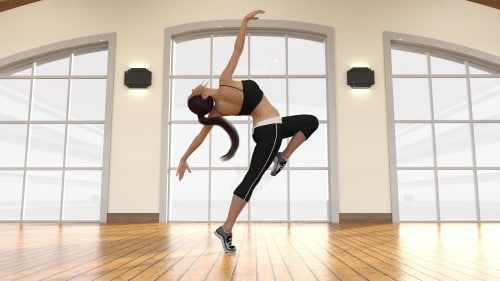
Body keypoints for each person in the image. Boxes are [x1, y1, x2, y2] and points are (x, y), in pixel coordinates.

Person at [176, 10, 318, 253]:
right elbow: (237, 49)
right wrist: (243, 23)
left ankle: (282, 157)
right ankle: (226, 228)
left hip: (271, 128)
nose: (193, 87)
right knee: (251, 181)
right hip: (271, 130)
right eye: (192, 91)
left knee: (311, 121)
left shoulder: (216, 112)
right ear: (203, 94)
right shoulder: (224, 83)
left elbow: (200, 136)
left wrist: (183, 157)